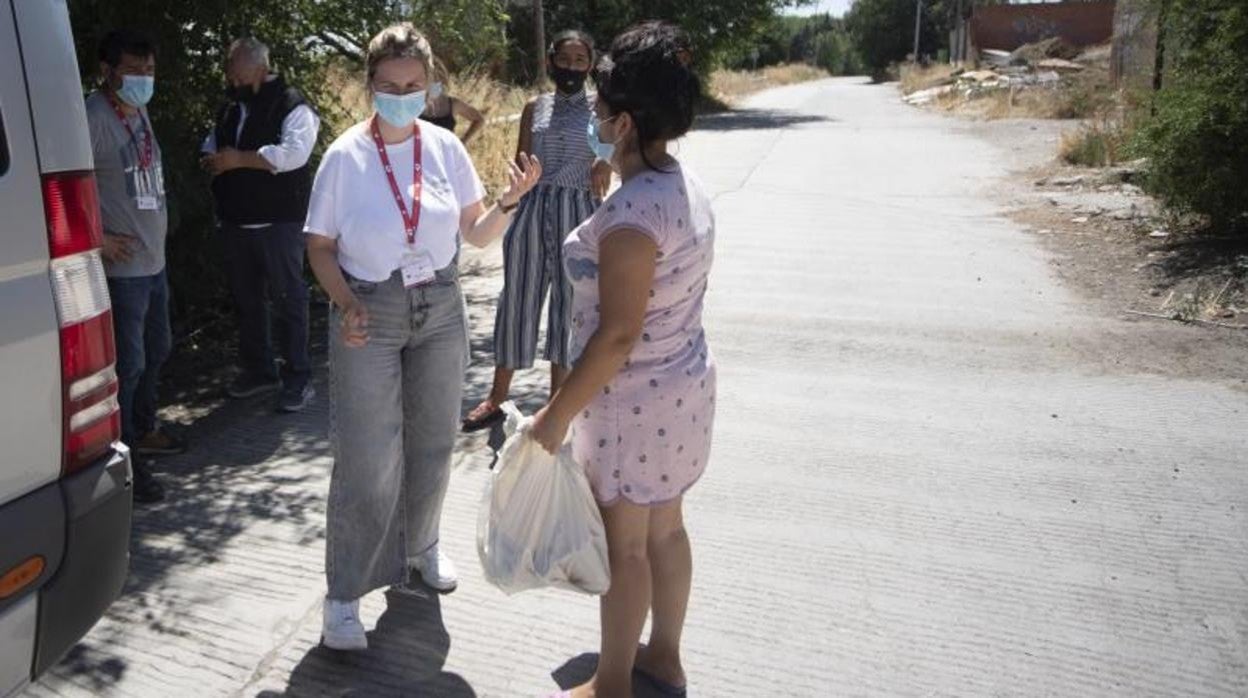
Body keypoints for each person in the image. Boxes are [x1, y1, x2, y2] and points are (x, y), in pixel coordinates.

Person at [304, 22, 541, 651]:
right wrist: (347, 302)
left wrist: (510, 202)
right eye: (389, 86)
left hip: (439, 304)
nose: (402, 96)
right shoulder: (344, 156)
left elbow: (477, 233)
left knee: (434, 439)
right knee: (367, 456)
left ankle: (420, 547)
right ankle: (345, 595)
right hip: (369, 309)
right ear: (370, 86)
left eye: (414, 85)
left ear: (431, 84)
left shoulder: (444, 148)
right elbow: (319, 247)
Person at [529, 22, 714, 698]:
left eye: (602, 109)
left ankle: (612, 685)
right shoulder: (683, 184)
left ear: (625, 122)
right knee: (666, 530)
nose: (594, 118)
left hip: (632, 403)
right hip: (682, 389)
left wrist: (555, 416)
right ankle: (662, 656)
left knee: (626, 545)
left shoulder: (634, 214)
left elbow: (616, 336)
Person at [460, 30, 612, 433]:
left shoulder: (603, 108)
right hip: (531, 208)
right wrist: (511, 201)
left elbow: (622, 142)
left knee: (568, 305)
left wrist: (606, 160)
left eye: (581, 61)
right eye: (566, 59)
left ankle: (555, 404)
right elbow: (520, 160)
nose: (573, 68)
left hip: (578, 209)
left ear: (591, 66)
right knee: (517, 299)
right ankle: (496, 397)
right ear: (550, 62)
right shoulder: (534, 107)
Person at [87, 29, 188, 503]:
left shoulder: (138, 110)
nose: (143, 80)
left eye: (149, 71)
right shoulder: (91, 118)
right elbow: (63, 188)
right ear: (108, 71)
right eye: (132, 71)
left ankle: (144, 429)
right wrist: (98, 240)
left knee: (158, 349)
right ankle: (126, 460)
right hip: (122, 271)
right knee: (129, 366)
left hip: (153, 262)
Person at [202, 37, 319, 412]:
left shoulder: (293, 104)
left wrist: (238, 160)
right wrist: (213, 158)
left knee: (289, 301)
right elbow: (213, 142)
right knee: (248, 302)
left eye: (234, 69)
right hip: (237, 223)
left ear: (257, 67)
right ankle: (260, 371)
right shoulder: (232, 105)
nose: (228, 76)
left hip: (279, 223)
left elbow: (293, 155)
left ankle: (298, 378)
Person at [418, 60, 485, 143]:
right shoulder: (414, 104)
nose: (433, 83)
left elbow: (479, 119)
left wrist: (463, 142)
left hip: (446, 154)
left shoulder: (453, 104)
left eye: (437, 79)